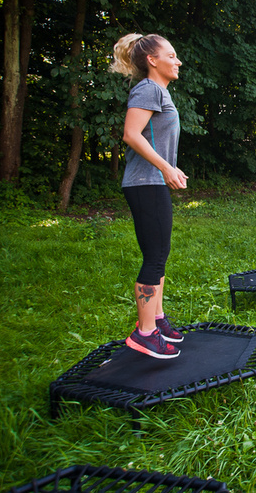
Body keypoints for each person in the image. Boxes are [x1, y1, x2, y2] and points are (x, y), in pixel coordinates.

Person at [110, 33, 187, 359]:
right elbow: (131, 134)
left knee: (160, 253)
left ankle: (156, 318)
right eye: (171, 55)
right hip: (145, 183)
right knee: (154, 256)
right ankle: (144, 334)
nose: (177, 61)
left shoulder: (157, 91)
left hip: (151, 181)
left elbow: (152, 140)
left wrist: (169, 167)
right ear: (152, 60)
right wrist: (165, 169)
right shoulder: (148, 89)